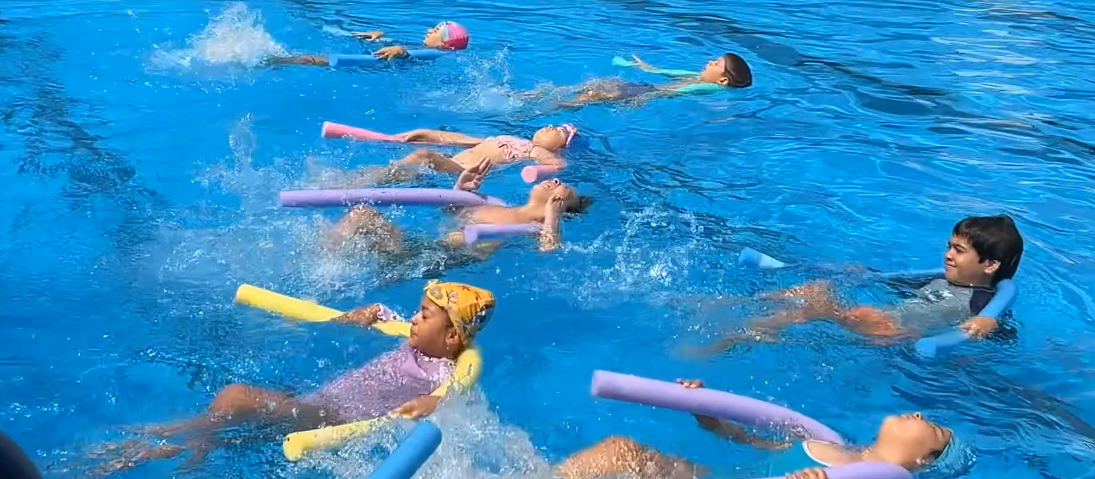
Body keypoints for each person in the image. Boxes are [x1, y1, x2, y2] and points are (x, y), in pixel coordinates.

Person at [92, 281, 494, 475]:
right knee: (242, 427)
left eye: (424, 316)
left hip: (332, 417)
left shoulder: (442, 368)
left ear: (452, 336)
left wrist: (433, 403)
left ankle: (184, 437)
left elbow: (456, 391)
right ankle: (169, 443)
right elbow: (368, 317)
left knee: (235, 397)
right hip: (316, 405)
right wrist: (359, 315)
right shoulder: (408, 338)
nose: (414, 318)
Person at [712, 215, 1023, 351]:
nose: (947, 255)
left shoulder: (984, 299)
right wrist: (863, 274)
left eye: (959, 250)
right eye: (949, 246)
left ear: (990, 265)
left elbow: (1002, 309)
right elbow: (895, 282)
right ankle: (754, 319)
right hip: (883, 321)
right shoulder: (940, 278)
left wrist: (988, 320)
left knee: (818, 298)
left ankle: (747, 323)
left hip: (894, 332)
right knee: (815, 296)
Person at [556, 380, 962, 479]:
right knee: (619, 448)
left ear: (923, 460)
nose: (922, 416)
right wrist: (707, 412)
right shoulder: (831, 444)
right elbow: (744, 441)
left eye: (937, 428)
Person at [329, 159, 591, 257]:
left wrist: (552, 219)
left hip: (435, 260)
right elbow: (448, 211)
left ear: (565, 209)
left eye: (565, 188)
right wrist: (460, 189)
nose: (557, 180)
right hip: (422, 250)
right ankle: (320, 267)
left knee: (362, 216)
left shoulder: (534, 228)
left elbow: (549, 251)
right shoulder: (494, 202)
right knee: (361, 215)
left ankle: (319, 278)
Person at [349, 124, 577, 185]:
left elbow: (558, 164)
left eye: (557, 131)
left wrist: (539, 169)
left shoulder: (534, 151)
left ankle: (369, 179)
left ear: (560, 145)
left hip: (463, 172)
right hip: (452, 162)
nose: (550, 126)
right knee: (421, 158)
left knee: (424, 156)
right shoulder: (507, 138)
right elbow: (458, 139)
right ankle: (370, 177)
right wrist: (424, 132)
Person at [524, 53, 752, 107]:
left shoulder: (705, 86)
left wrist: (642, 99)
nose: (710, 61)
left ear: (723, 81)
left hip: (639, 92)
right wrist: (646, 67)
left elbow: (675, 92)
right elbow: (666, 73)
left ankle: (544, 102)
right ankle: (534, 99)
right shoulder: (695, 75)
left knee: (590, 93)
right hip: (640, 88)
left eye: (716, 64)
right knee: (591, 89)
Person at [269, 21, 470, 66]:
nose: (428, 30)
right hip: (383, 63)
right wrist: (381, 37)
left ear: (445, 44)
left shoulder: (439, 54)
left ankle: (273, 61)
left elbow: (412, 55)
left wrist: (401, 52)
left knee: (312, 59)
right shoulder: (429, 48)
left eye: (435, 31)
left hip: (374, 67)